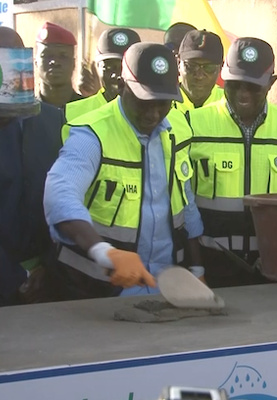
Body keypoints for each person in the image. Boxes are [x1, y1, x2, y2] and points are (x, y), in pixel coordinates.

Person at [44, 42, 204, 298]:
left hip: (164, 289)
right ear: (121, 86)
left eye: (163, 103)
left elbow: (186, 201)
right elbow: (60, 194)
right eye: (144, 101)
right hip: (97, 291)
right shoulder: (92, 134)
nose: (153, 114)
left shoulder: (178, 129)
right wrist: (102, 251)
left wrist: (197, 268)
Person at [186, 37, 277, 288]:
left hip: (271, 268)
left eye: (252, 86)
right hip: (210, 267)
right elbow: (183, 202)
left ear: (271, 83)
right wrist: (195, 267)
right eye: (234, 84)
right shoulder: (192, 123)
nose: (242, 94)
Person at [0, 27, 66, 306]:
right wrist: (14, 278)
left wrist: (48, 268)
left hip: (49, 279)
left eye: (15, 57)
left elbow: (67, 198)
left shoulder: (52, 120)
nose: (7, 66)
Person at [66, 28, 141, 121]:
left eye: (123, 68)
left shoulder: (151, 115)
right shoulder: (71, 113)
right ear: (97, 67)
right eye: (108, 67)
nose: (116, 75)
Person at [173, 29, 225, 114]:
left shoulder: (229, 103)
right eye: (191, 66)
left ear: (221, 67)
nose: (199, 76)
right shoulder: (162, 103)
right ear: (178, 63)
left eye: (208, 68)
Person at [35, 22, 84, 110]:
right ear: (36, 62)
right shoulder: (26, 112)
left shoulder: (90, 110)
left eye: (63, 56)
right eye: (47, 55)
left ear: (73, 63)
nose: (55, 62)